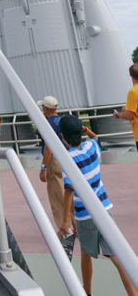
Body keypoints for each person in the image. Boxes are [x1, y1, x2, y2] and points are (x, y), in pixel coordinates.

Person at [58, 115, 137, 296]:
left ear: (62, 136)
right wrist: (87, 130)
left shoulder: (68, 158)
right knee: (116, 256)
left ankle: (87, 292)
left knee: (86, 253)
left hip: (85, 216)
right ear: (81, 131)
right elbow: (95, 139)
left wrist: (64, 221)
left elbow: (69, 190)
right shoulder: (91, 148)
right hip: (104, 209)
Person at [37, 95, 76, 234]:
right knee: (71, 192)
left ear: (46, 108)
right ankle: (76, 225)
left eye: (42, 106)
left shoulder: (47, 123)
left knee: (58, 196)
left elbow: (48, 147)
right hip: (68, 157)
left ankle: (65, 229)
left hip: (54, 160)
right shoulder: (64, 120)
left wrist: (43, 168)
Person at [113, 63, 138, 150]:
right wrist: (128, 107)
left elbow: (128, 115)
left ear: (130, 74)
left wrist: (118, 114)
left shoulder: (133, 92)